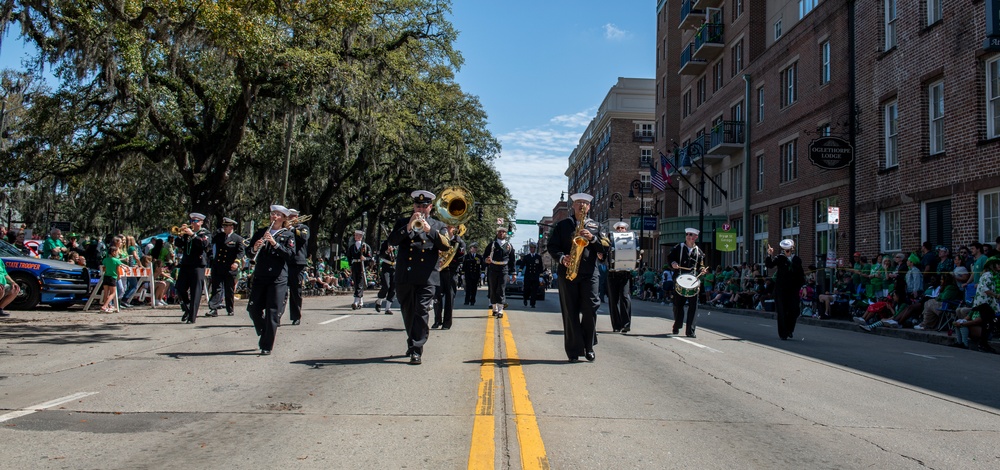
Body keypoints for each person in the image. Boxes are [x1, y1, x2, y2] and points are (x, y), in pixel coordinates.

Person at [386, 190, 451, 365]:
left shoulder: (438, 225)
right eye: (418, 206)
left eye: (424, 206)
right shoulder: (402, 222)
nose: (421, 209)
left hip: (427, 276)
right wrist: (408, 227)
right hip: (405, 274)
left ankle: (416, 349)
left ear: (431, 207)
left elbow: (446, 245)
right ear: (413, 206)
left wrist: (430, 231)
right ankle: (412, 339)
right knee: (408, 311)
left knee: (421, 311)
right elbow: (391, 241)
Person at [547, 192, 610, 362]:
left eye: (585, 203)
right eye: (578, 203)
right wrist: (562, 258)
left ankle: (588, 346)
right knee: (570, 312)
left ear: (589, 207)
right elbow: (552, 246)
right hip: (568, 273)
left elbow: (606, 247)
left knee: (591, 309)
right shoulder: (562, 225)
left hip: (590, 273)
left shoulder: (596, 226)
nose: (582, 205)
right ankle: (573, 351)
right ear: (573, 206)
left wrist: (593, 239)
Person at [247, 205, 296, 355]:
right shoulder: (261, 232)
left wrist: (275, 244)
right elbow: (249, 253)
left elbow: (289, 255)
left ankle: (266, 345)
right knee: (253, 309)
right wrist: (255, 248)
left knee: (272, 312)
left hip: (277, 277)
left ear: (283, 218)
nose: (274, 216)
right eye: (272, 213)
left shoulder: (288, 235)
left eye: (277, 214)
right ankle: (265, 330)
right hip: (261, 275)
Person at [668, 228, 707, 338]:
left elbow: (701, 265)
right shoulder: (678, 248)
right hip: (680, 279)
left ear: (696, 237)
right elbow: (670, 258)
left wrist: (702, 270)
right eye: (687, 234)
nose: (689, 236)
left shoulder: (699, 251)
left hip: (692, 281)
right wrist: (673, 263)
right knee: (677, 305)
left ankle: (690, 331)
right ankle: (677, 324)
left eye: (691, 235)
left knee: (693, 306)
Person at [765, 239, 806, 340]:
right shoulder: (780, 258)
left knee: (794, 311)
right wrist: (769, 254)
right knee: (782, 311)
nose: (787, 251)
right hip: (781, 289)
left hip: (793, 289)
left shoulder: (796, 259)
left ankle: (790, 330)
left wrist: (804, 287)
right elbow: (770, 265)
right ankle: (783, 333)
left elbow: (801, 274)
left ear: (792, 249)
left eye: (789, 249)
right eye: (785, 249)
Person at [175, 212, 211, 323]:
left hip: (198, 265)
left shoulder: (205, 233)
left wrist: (193, 235)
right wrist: (180, 236)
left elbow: (204, 245)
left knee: (196, 291)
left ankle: (192, 317)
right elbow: (179, 244)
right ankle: (187, 307)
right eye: (191, 221)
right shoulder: (187, 234)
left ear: (201, 222)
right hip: (186, 264)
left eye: (195, 221)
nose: (192, 223)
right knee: (179, 288)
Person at [207, 217, 245, 317]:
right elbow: (210, 245)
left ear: (231, 227)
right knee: (216, 288)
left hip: (230, 267)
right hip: (218, 266)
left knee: (229, 289)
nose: (224, 228)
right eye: (223, 226)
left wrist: (236, 262)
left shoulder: (237, 239)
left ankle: (230, 309)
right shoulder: (219, 236)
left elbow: (241, 252)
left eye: (226, 226)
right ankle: (213, 308)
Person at [432, 225, 465, 329]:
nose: (447, 228)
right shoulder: (439, 239)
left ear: (455, 229)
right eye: (446, 226)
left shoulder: (459, 242)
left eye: (450, 227)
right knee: (437, 297)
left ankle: (447, 323)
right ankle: (437, 320)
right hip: (439, 272)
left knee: (449, 298)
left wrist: (447, 262)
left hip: (451, 272)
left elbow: (461, 258)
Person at [607, 221, 636, 333]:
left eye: (622, 228)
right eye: (618, 228)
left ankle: (626, 324)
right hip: (612, 274)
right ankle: (616, 325)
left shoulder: (631, 241)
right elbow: (603, 254)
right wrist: (601, 256)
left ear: (626, 230)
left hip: (625, 274)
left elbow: (635, 253)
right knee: (613, 300)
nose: (620, 229)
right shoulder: (610, 240)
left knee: (625, 297)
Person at [483, 226, 516, 317]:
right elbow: (484, 256)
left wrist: (514, 273)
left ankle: (500, 310)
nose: (501, 233)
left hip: (503, 269)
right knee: (493, 289)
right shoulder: (492, 245)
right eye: (500, 232)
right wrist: (486, 260)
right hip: (493, 268)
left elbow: (512, 261)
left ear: (506, 234)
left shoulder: (509, 246)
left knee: (501, 288)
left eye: (503, 232)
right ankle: (494, 308)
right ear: (497, 233)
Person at [286, 209, 310, 324]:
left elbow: (303, 238)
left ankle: (296, 316)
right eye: (288, 216)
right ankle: (276, 315)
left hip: (297, 262)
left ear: (297, 216)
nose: (290, 218)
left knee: (296, 291)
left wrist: (291, 229)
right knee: (280, 291)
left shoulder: (302, 228)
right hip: (284, 261)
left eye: (292, 216)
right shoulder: (282, 228)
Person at [346, 230, 372, 310]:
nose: (356, 236)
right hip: (355, 265)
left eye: (358, 235)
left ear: (361, 236)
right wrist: (350, 265)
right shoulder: (352, 247)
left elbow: (370, 257)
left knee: (360, 282)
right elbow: (349, 257)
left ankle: (356, 301)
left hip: (361, 265)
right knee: (356, 282)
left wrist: (365, 258)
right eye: (355, 235)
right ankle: (360, 301)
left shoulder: (365, 246)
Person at [99, 245, 125, 313]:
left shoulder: (105, 260)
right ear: (113, 252)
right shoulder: (117, 260)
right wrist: (119, 276)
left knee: (106, 293)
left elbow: (104, 267)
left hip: (106, 276)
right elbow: (117, 270)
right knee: (113, 293)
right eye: (116, 252)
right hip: (112, 277)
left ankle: (106, 307)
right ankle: (105, 305)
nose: (117, 253)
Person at [375, 240, 397, 314]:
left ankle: (388, 308)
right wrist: (387, 251)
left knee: (393, 288)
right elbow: (381, 255)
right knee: (386, 286)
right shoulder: (385, 243)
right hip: (386, 266)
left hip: (395, 267)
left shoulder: (399, 243)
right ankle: (379, 301)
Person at [520, 242, 544, 308]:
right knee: (526, 289)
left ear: (535, 249)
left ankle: (532, 303)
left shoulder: (538, 257)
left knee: (534, 290)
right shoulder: (526, 257)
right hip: (528, 276)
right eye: (530, 248)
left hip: (535, 276)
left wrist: (541, 276)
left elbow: (540, 267)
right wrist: (520, 271)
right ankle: (525, 299)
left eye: (533, 248)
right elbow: (522, 265)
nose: (531, 249)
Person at [0, 252, 22, 316]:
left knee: (15, 289)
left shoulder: (0, 260)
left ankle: (0, 308)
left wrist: (13, 282)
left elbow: (5, 274)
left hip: (3, 283)